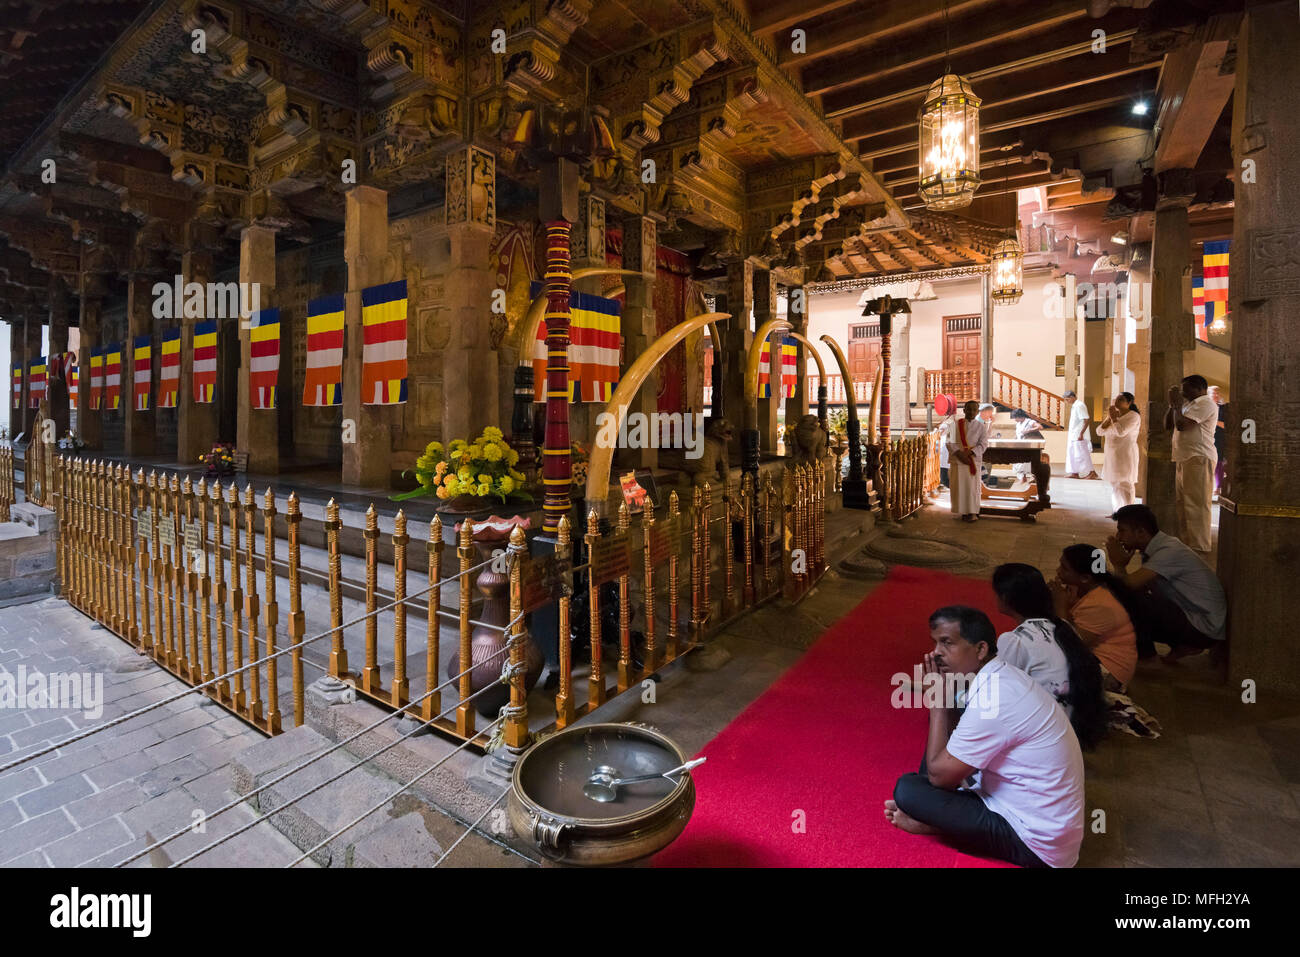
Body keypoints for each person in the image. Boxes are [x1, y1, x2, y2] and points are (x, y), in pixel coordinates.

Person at [885, 606, 1085, 868]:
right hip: (1033, 817)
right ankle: (932, 815)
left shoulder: (997, 698)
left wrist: (937, 703)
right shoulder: (1001, 677)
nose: (936, 653)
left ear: (980, 650)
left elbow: (939, 778)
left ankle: (933, 823)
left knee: (908, 790)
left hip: (1037, 845)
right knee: (931, 770)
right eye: (935, 643)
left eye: (947, 643)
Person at [991, 564, 1108, 751]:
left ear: (1004, 597)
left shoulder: (1014, 640)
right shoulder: (1063, 626)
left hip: (1044, 737)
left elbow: (997, 692)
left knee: (962, 700)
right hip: (1073, 726)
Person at [1051, 544, 1161, 738]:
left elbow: (1072, 643)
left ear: (1085, 577)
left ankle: (1110, 704)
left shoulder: (1101, 603)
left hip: (1110, 670)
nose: (1058, 572)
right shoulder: (1090, 591)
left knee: (1047, 676)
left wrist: (1059, 606)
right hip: (1097, 659)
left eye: (1065, 568)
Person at [1105, 504, 1227, 661]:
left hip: (1205, 628)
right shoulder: (1155, 549)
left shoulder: (1168, 552)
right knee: (1134, 596)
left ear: (1141, 532)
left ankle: (1148, 657)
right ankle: (1182, 646)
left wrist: (1119, 565)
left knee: (1129, 601)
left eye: (1122, 531)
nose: (1118, 537)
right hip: (1197, 620)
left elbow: (1126, 589)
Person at [1166, 374, 1217, 557]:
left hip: (1199, 458)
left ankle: (1199, 546)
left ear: (1199, 389)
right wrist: (1172, 405)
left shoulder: (1206, 404)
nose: (1183, 392)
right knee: (1183, 503)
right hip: (1184, 457)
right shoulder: (1187, 404)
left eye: (1186, 389)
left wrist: (1177, 405)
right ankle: (1187, 543)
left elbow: (1182, 425)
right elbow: (1168, 425)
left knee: (1197, 504)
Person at [1096, 392, 1140, 511]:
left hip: (1125, 453)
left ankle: (1128, 511)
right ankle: (1117, 510)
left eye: (1121, 399)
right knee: (1115, 483)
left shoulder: (1133, 416)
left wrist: (1114, 418)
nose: (1116, 401)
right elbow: (1099, 432)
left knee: (1125, 483)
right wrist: (1110, 418)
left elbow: (1121, 432)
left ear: (1129, 403)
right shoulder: (1115, 415)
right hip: (1112, 454)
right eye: (1116, 398)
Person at [945, 399, 988, 522]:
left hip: (972, 461)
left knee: (972, 488)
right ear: (964, 410)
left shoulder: (981, 426)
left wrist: (969, 453)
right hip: (958, 460)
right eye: (968, 409)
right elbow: (949, 441)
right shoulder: (954, 425)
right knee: (959, 487)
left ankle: (972, 512)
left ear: (977, 411)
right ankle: (963, 511)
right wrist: (959, 454)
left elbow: (983, 444)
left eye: (974, 409)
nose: (971, 411)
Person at [1064, 390, 1098, 479]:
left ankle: (1092, 473)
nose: (1067, 402)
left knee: (1082, 454)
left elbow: (1086, 420)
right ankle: (1074, 473)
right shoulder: (1074, 406)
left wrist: (1081, 433)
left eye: (1067, 399)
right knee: (1072, 453)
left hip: (1078, 435)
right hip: (1073, 434)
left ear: (1072, 397)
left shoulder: (1079, 405)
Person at [1010, 409, 1043, 480]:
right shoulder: (1018, 424)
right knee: (1016, 460)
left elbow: (1040, 427)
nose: (1015, 419)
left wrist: (1028, 430)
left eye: (1015, 418)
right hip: (1021, 445)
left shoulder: (1030, 422)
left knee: (1026, 461)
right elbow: (1018, 434)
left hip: (1029, 446)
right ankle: (1023, 477)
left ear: (1020, 416)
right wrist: (1012, 441)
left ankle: (1033, 476)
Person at [1210, 385, 1229, 497]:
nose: (1216, 395)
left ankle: (1218, 487)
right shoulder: (1204, 407)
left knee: (1219, 463)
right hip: (1206, 438)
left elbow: (1226, 425)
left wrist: (1213, 421)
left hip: (1219, 438)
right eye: (1213, 392)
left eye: (1217, 393)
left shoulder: (1223, 408)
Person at [979, 403, 1000, 486]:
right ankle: (983, 487)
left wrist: (991, 423)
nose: (991, 414)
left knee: (988, 465)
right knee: (985, 468)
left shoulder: (982, 421)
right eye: (991, 412)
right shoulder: (978, 421)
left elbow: (986, 435)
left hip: (981, 449)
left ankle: (984, 487)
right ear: (985, 412)